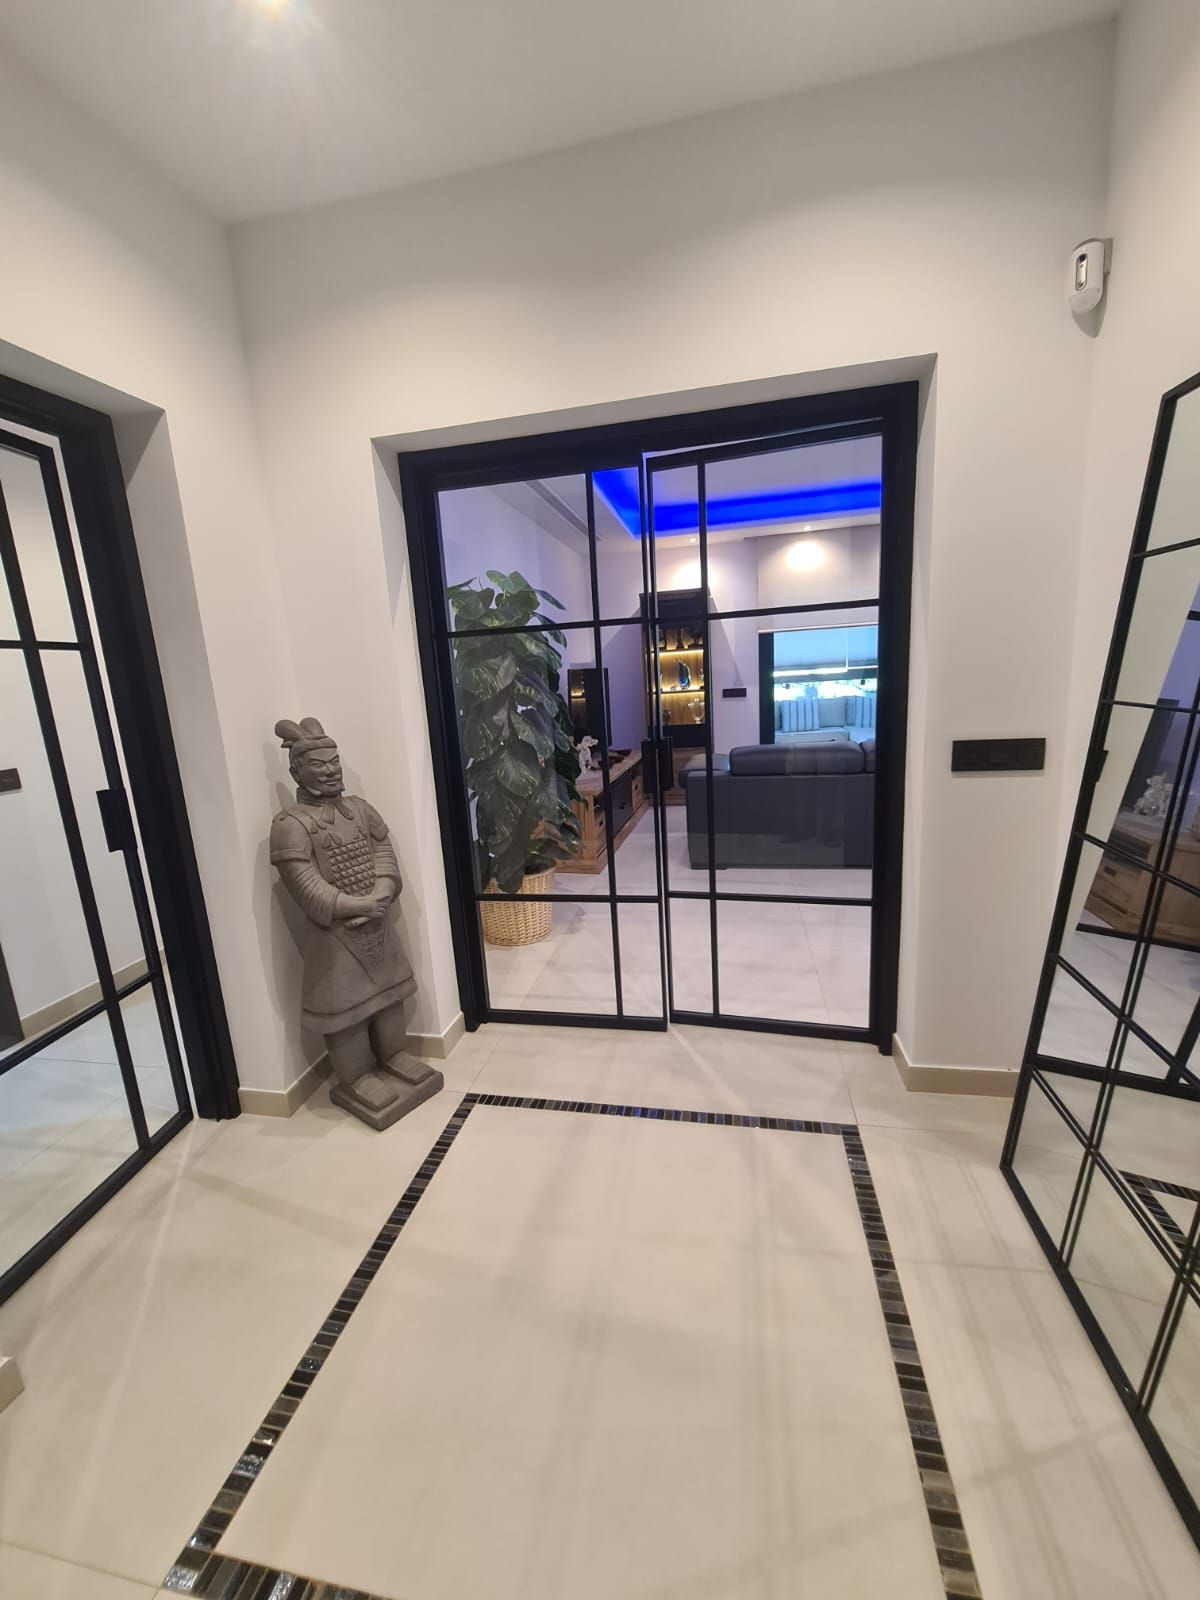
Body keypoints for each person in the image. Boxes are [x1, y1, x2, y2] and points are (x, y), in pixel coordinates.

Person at [269, 717, 441, 1128]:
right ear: (297, 771)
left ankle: (394, 1055)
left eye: (335, 762)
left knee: (388, 996)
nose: (331, 770)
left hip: (377, 922)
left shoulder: (361, 809)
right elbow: (304, 883)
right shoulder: (290, 825)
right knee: (345, 1009)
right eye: (319, 764)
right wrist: (352, 904)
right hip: (334, 936)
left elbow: (382, 849)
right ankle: (356, 1077)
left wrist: (383, 889)